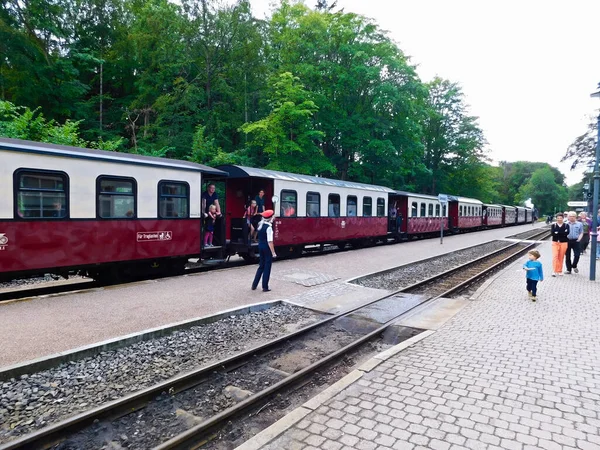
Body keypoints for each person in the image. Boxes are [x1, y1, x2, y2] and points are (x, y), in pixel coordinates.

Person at [252, 210, 277, 292]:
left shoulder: (260, 225)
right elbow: (270, 241)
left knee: (261, 266)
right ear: (270, 218)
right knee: (267, 267)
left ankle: (254, 285)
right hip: (267, 248)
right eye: (273, 216)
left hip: (260, 246)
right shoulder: (269, 228)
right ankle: (265, 286)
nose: (274, 217)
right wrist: (273, 252)